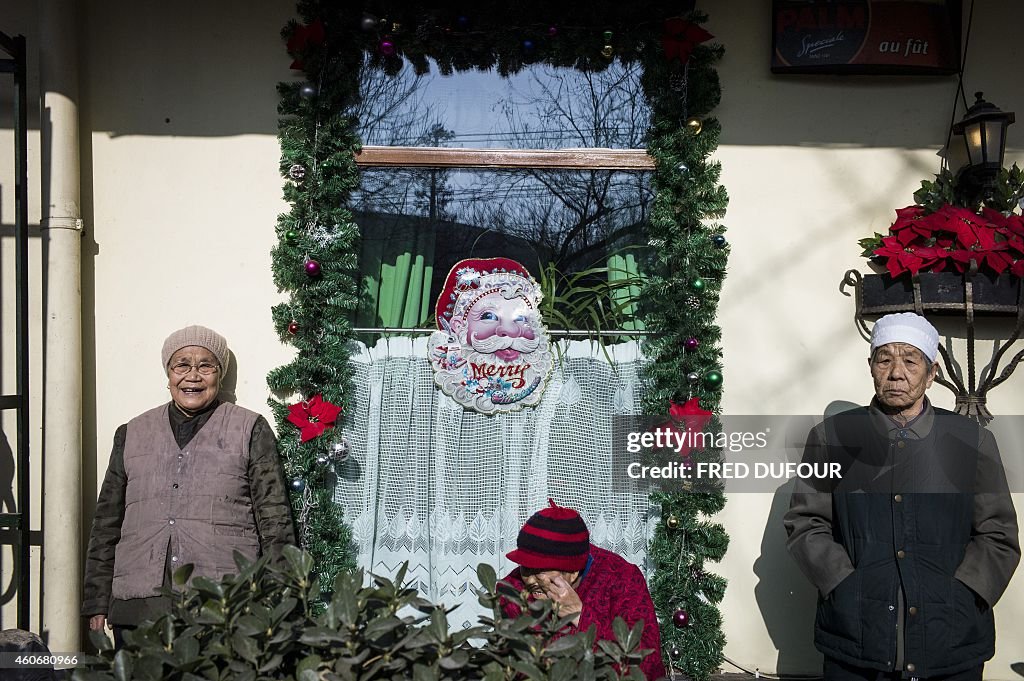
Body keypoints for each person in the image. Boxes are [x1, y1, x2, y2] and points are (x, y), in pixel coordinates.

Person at [784, 312, 1020, 681]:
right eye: (884, 359)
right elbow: (805, 523)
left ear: (932, 374)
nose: (896, 373)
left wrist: (964, 594)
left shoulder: (971, 441)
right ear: (871, 367)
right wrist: (844, 585)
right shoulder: (832, 438)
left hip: (951, 640)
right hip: (854, 639)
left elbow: (998, 534)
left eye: (910, 360)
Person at [82, 325, 297, 645]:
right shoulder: (131, 433)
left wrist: (281, 598)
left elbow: (275, 517)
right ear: (168, 373)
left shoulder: (250, 428)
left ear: (219, 375)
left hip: (222, 605)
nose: (193, 376)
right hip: (139, 607)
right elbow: (107, 522)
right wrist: (97, 600)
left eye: (206, 365)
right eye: (181, 364)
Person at [499, 499, 666, 681]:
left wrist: (579, 615)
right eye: (525, 567)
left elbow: (647, 666)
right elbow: (521, 667)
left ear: (572, 572)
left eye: (539, 571)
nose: (530, 580)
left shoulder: (623, 579)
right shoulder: (513, 589)